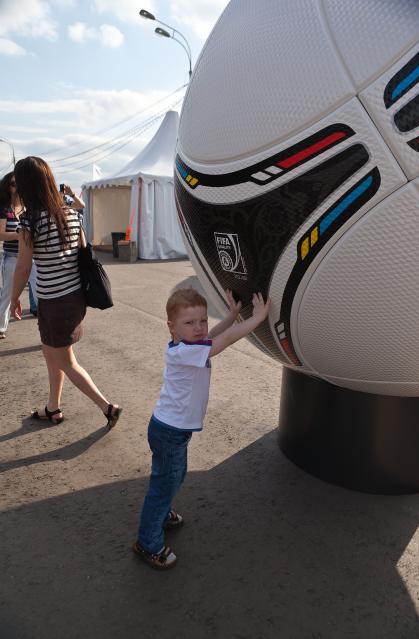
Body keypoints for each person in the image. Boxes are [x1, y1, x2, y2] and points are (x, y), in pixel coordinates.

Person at [133, 287, 270, 570]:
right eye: (189, 323)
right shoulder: (184, 352)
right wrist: (256, 319)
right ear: (172, 327)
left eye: (202, 320)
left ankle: (160, 515)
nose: (199, 328)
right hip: (168, 431)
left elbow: (214, 334)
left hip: (173, 430)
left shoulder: (190, 344)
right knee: (163, 484)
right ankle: (147, 543)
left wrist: (231, 315)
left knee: (175, 476)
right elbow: (225, 340)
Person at [10, 156, 122, 428]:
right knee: (51, 354)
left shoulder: (29, 221)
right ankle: (53, 407)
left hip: (54, 301)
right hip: (73, 297)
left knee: (66, 361)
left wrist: (13, 298)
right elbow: (84, 254)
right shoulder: (71, 213)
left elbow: (24, 266)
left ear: (25, 185)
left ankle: (107, 407)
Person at [0, 171, 38, 338]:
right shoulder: (4, 209)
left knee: (40, 295)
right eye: (13, 184)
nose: (17, 187)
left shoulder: (29, 207)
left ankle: (47, 331)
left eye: (19, 183)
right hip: (12, 257)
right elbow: (1, 234)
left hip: (33, 259)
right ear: (8, 187)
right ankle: (1, 327)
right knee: (7, 294)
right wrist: (21, 234)